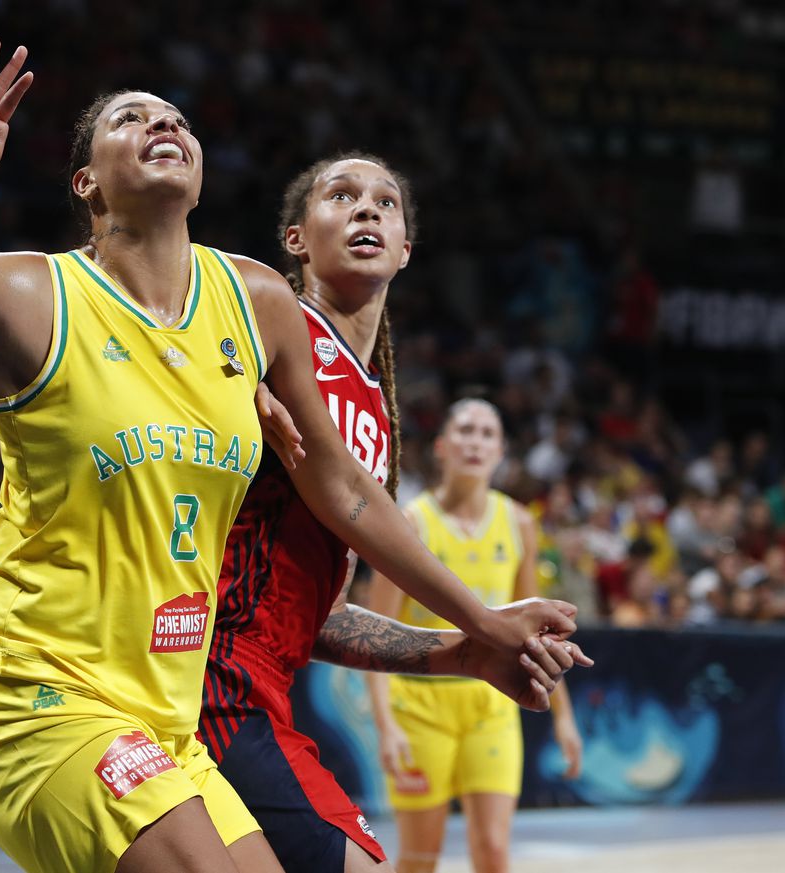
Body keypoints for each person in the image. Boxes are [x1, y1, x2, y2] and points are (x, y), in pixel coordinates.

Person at [0, 41, 580, 873]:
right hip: (36, 693)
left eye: (174, 117)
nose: (161, 122)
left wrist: (479, 624)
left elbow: (344, 493)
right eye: (129, 118)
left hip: (166, 716)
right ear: (87, 183)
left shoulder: (254, 301)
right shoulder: (28, 297)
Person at [198, 155, 590, 873]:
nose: (366, 210)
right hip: (207, 672)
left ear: (407, 249)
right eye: (340, 196)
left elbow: (309, 614)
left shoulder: (375, 405)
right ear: (295, 238)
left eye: (386, 203)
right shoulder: (265, 323)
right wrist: (483, 619)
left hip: (256, 685)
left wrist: (467, 654)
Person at [368, 399, 584, 873]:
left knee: (493, 851)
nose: (476, 441)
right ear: (442, 446)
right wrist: (386, 725)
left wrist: (564, 718)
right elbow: (375, 628)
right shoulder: (411, 523)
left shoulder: (520, 524)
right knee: (420, 857)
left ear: (501, 451)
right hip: (420, 710)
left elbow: (539, 633)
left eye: (488, 433)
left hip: (492, 710)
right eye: (465, 430)